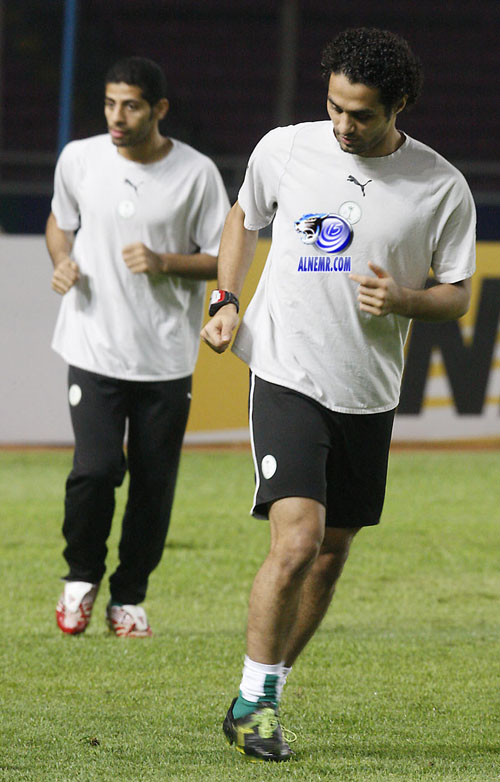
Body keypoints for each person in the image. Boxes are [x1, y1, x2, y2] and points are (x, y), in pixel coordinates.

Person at [201, 27, 475, 760]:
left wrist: (406, 301)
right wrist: (225, 298)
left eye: (361, 114)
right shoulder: (286, 148)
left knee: (331, 553)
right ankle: (257, 704)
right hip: (286, 369)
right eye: (334, 107)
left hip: (369, 389)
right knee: (297, 541)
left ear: (399, 105)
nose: (344, 126)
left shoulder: (440, 185)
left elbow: (455, 292)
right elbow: (243, 216)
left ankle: (261, 691)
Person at [47, 56, 229, 638]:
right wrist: (61, 260)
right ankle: (80, 578)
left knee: (153, 484)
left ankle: (127, 599)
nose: (116, 117)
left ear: (159, 109)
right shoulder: (80, 158)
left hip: (165, 357)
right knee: (95, 469)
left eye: (130, 106)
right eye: (109, 104)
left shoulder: (196, 174)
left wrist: (164, 261)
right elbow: (59, 222)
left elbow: (221, 256)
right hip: (92, 344)